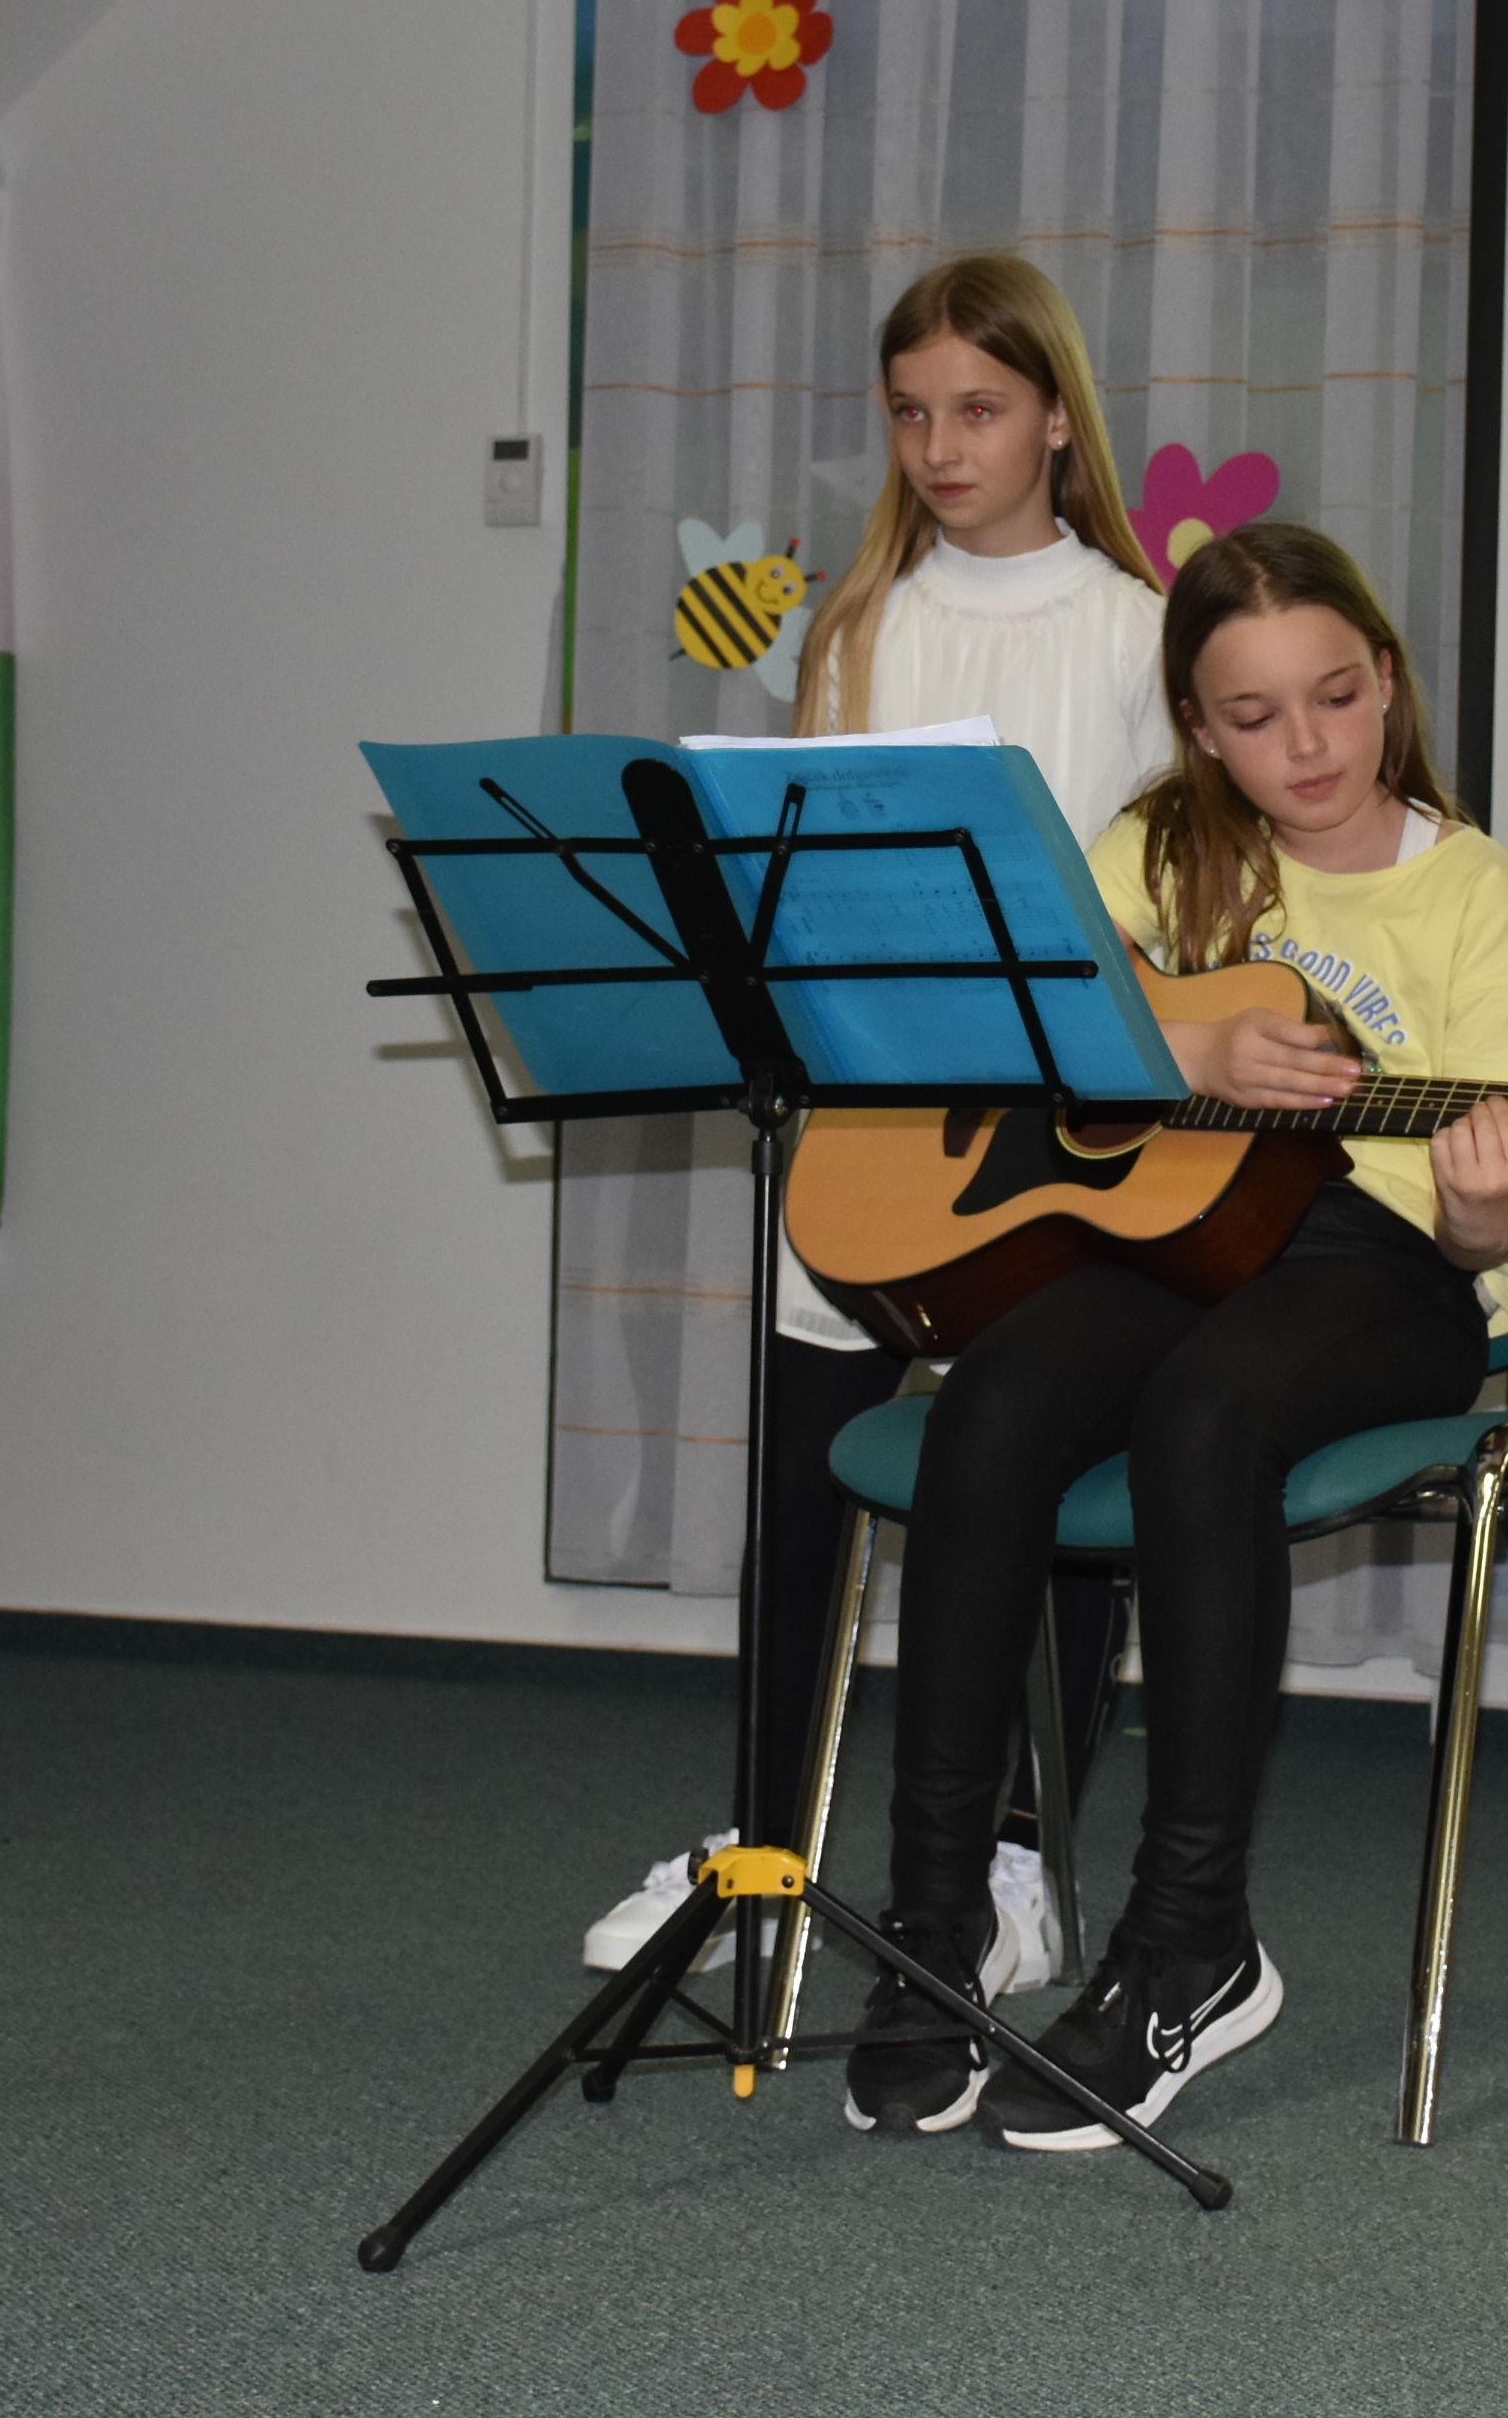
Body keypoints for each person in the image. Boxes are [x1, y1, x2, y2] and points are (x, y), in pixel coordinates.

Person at [839, 522, 1508, 2145]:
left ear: (1389, 683)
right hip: (1175, 1241)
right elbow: (1037, 1026)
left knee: (1205, 1417)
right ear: (1199, 728)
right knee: (991, 1403)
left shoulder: (1471, 893)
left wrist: (1489, 1207)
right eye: (1253, 715)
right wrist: (1187, 1061)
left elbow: (1487, 1235)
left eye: (1336, 696)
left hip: (1388, 1268)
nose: (1307, 745)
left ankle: (1190, 1941)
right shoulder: (1159, 849)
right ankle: (937, 1926)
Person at [582, 253, 1166, 1996]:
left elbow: (1169, 907)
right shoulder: (861, 628)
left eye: (978, 409)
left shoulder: (1136, 631)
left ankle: (1019, 1861)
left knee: (1050, 1488)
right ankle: (762, 1847)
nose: (941, 446)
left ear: (1055, 420)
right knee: (806, 1480)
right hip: (873, 1129)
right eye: (911, 414)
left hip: (1062, 1154)